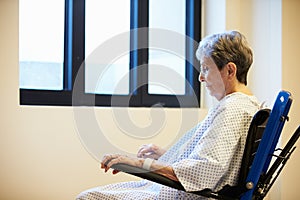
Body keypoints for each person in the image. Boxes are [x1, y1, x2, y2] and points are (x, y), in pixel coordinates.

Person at [76, 30, 260, 199]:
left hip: (176, 195)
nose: (201, 77)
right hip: (173, 190)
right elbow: (210, 160)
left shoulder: (232, 110)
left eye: (206, 68)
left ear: (229, 70)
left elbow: (203, 170)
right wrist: (166, 154)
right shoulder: (246, 105)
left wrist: (139, 163)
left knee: (88, 197)